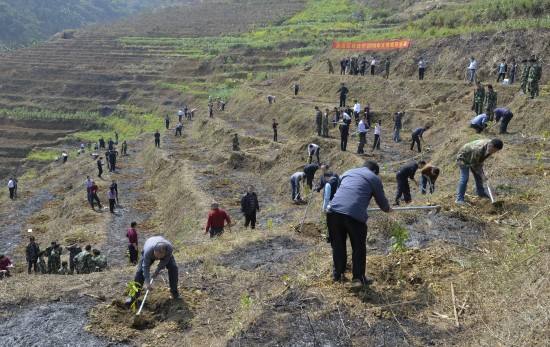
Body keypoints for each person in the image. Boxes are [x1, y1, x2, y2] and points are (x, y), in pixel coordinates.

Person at [326, 161, 391, 286]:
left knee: (338, 245)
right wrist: (388, 209)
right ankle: (358, 279)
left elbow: (344, 193)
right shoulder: (374, 178)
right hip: (353, 215)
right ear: (375, 171)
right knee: (358, 247)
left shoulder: (347, 172)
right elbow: (382, 203)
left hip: (333, 211)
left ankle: (338, 275)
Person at [126, 236, 179, 305]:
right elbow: (145, 267)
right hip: (149, 246)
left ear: (164, 253)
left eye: (159, 257)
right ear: (154, 251)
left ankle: (174, 292)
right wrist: (147, 282)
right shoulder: (148, 251)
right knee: (140, 272)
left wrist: (156, 272)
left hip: (162, 249)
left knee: (173, 268)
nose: (157, 258)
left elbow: (164, 262)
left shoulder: (169, 249)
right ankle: (133, 296)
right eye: (155, 255)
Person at [455, 138, 503, 204]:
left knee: (479, 177)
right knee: (465, 178)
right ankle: (459, 199)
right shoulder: (478, 149)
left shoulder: (491, 145)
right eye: (493, 150)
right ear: (490, 145)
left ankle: (481, 193)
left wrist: (481, 174)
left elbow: (480, 160)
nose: (493, 152)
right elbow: (474, 165)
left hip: (474, 158)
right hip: (463, 158)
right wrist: (482, 174)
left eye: (495, 151)